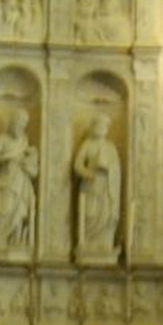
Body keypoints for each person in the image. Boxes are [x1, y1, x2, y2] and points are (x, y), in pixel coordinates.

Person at [0, 105, 38, 259]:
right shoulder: (2, 139)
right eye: (18, 122)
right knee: (3, 210)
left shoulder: (24, 140)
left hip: (20, 181)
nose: (20, 126)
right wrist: (9, 156)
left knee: (19, 211)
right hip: (4, 182)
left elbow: (31, 164)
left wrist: (28, 159)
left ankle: (15, 240)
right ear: (12, 122)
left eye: (23, 124)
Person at [73, 110, 123, 261]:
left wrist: (108, 169)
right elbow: (77, 165)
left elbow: (117, 168)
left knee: (106, 214)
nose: (101, 128)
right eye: (98, 125)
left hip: (107, 187)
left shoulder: (110, 147)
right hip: (90, 186)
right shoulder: (87, 144)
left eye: (104, 126)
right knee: (90, 213)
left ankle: (105, 244)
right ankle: (87, 243)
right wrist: (90, 172)